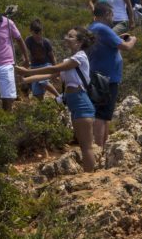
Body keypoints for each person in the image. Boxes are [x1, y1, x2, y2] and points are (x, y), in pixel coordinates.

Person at [16, 28, 98, 171]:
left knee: (86, 147)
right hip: (75, 105)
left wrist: (29, 71)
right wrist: (24, 79)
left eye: (71, 36)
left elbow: (53, 69)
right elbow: (47, 76)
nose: (66, 37)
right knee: (83, 145)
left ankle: (92, 178)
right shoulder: (70, 60)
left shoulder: (80, 57)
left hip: (81, 104)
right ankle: (89, 174)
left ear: (79, 42)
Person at [88, 3, 135, 147]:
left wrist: (117, 37)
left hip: (100, 76)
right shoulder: (102, 28)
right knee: (101, 115)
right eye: (112, 14)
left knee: (105, 115)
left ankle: (102, 147)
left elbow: (107, 43)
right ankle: (98, 148)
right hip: (106, 78)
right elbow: (126, 47)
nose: (113, 17)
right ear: (107, 13)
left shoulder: (93, 27)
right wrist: (133, 39)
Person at [24, 19, 56, 100]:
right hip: (34, 66)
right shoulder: (29, 40)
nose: (38, 35)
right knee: (36, 91)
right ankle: (42, 107)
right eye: (36, 33)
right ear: (31, 31)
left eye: (40, 33)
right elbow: (24, 52)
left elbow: (52, 56)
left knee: (42, 81)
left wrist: (56, 69)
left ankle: (58, 96)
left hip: (46, 65)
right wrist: (25, 61)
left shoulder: (46, 42)